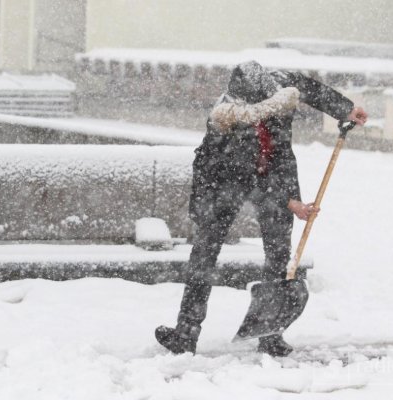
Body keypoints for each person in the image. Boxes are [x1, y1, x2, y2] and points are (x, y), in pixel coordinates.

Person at [156, 61, 367, 357]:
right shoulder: (225, 118)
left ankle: (270, 331)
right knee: (205, 250)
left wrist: (345, 109)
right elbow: (246, 173)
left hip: (276, 170)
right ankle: (185, 333)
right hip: (222, 180)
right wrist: (289, 202)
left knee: (279, 248)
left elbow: (310, 88)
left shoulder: (281, 82)